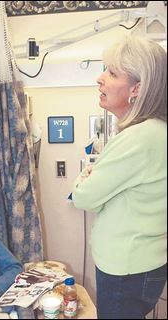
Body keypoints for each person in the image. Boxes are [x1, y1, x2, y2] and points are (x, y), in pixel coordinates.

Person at [72, 35, 167, 319]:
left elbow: (84, 197)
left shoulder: (139, 138)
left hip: (126, 270)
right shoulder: (155, 131)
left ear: (137, 88)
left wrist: (83, 179)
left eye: (112, 72)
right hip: (143, 263)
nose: (99, 79)